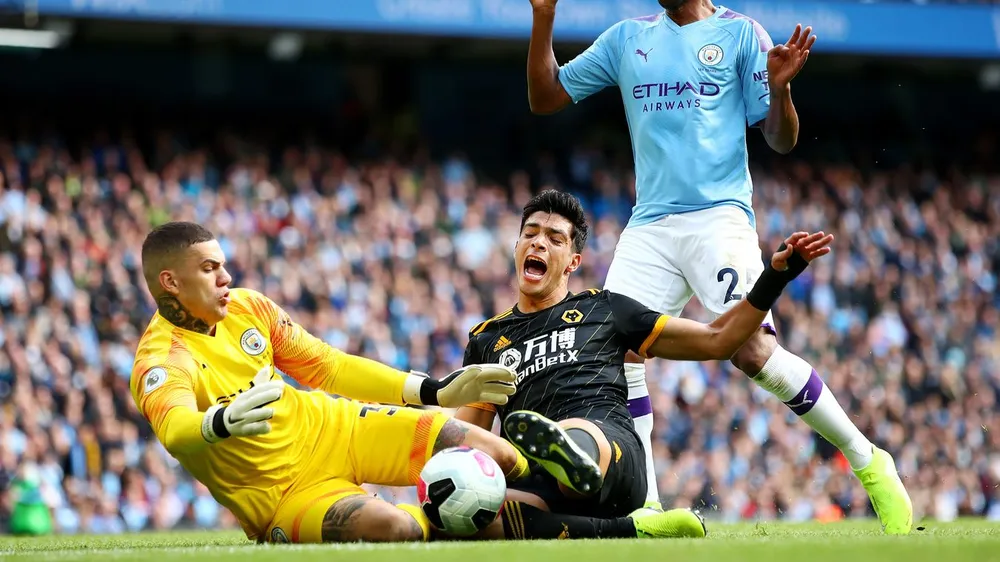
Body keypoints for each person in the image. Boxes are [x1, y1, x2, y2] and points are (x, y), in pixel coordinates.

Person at [524, 0, 912, 534]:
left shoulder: (740, 34)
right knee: (614, 354)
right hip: (650, 225)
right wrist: (543, 18)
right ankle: (648, 506)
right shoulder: (626, 39)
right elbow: (545, 98)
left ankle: (868, 458)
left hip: (719, 217)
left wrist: (780, 90)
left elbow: (781, 139)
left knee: (751, 350)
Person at [456, 190, 829, 539]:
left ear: (574, 261)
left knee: (576, 433)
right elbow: (465, 439)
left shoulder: (606, 309)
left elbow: (720, 339)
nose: (538, 242)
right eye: (530, 234)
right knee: (470, 516)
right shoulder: (487, 339)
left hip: (614, 455)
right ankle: (629, 529)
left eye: (554, 238)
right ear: (517, 246)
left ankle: (571, 456)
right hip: (535, 477)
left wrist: (775, 278)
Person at [130, 221, 530, 544]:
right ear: (171, 282)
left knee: (501, 455)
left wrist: (434, 391)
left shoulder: (248, 307)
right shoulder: (161, 359)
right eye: (208, 268)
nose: (226, 277)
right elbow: (175, 429)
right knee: (397, 529)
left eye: (222, 265)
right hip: (285, 498)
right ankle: (441, 520)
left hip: (340, 430)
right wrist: (217, 423)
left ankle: (588, 506)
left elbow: (328, 367)